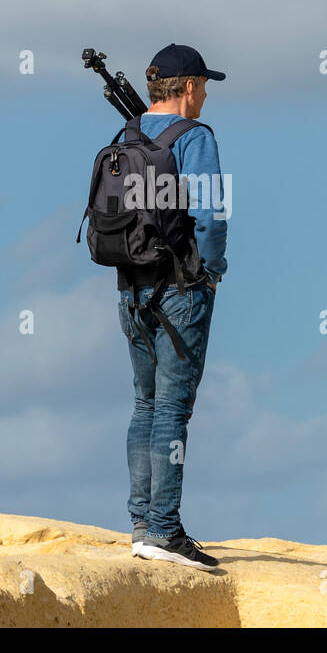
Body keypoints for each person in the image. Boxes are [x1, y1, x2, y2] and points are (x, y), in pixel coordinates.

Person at [120, 43, 228, 571]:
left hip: (131, 292)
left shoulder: (127, 135)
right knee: (172, 411)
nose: (206, 94)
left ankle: (142, 524)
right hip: (182, 293)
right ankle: (164, 530)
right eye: (204, 85)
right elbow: (210, 216)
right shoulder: (196, 139)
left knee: (144, 406)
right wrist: (212, 273)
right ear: (187, 87)